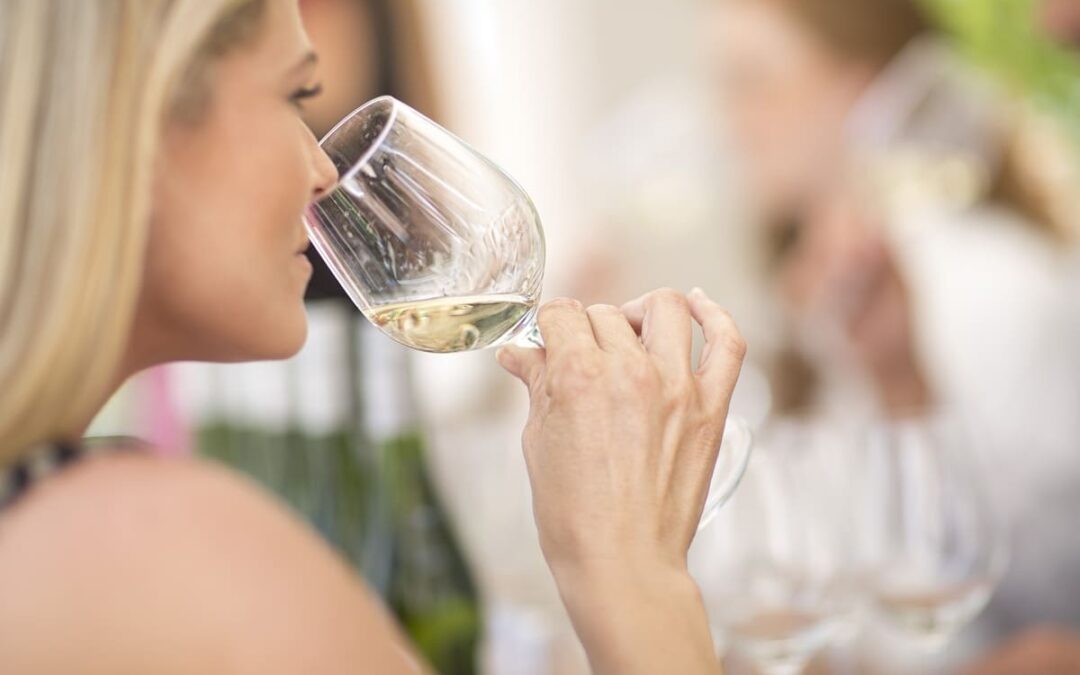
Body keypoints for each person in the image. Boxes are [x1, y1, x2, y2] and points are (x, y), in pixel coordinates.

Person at [0, 1, 747, 674]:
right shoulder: (158, 551)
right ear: (136, 121)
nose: (323, 167)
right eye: (295, 96)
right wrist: (633, 572)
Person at [709, 0, 1080, 669]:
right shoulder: (810, 300)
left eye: (754, 80)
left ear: (865, 92)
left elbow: (1052, 597)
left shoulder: (996, 285)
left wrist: (906, 385)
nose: (730, 120)